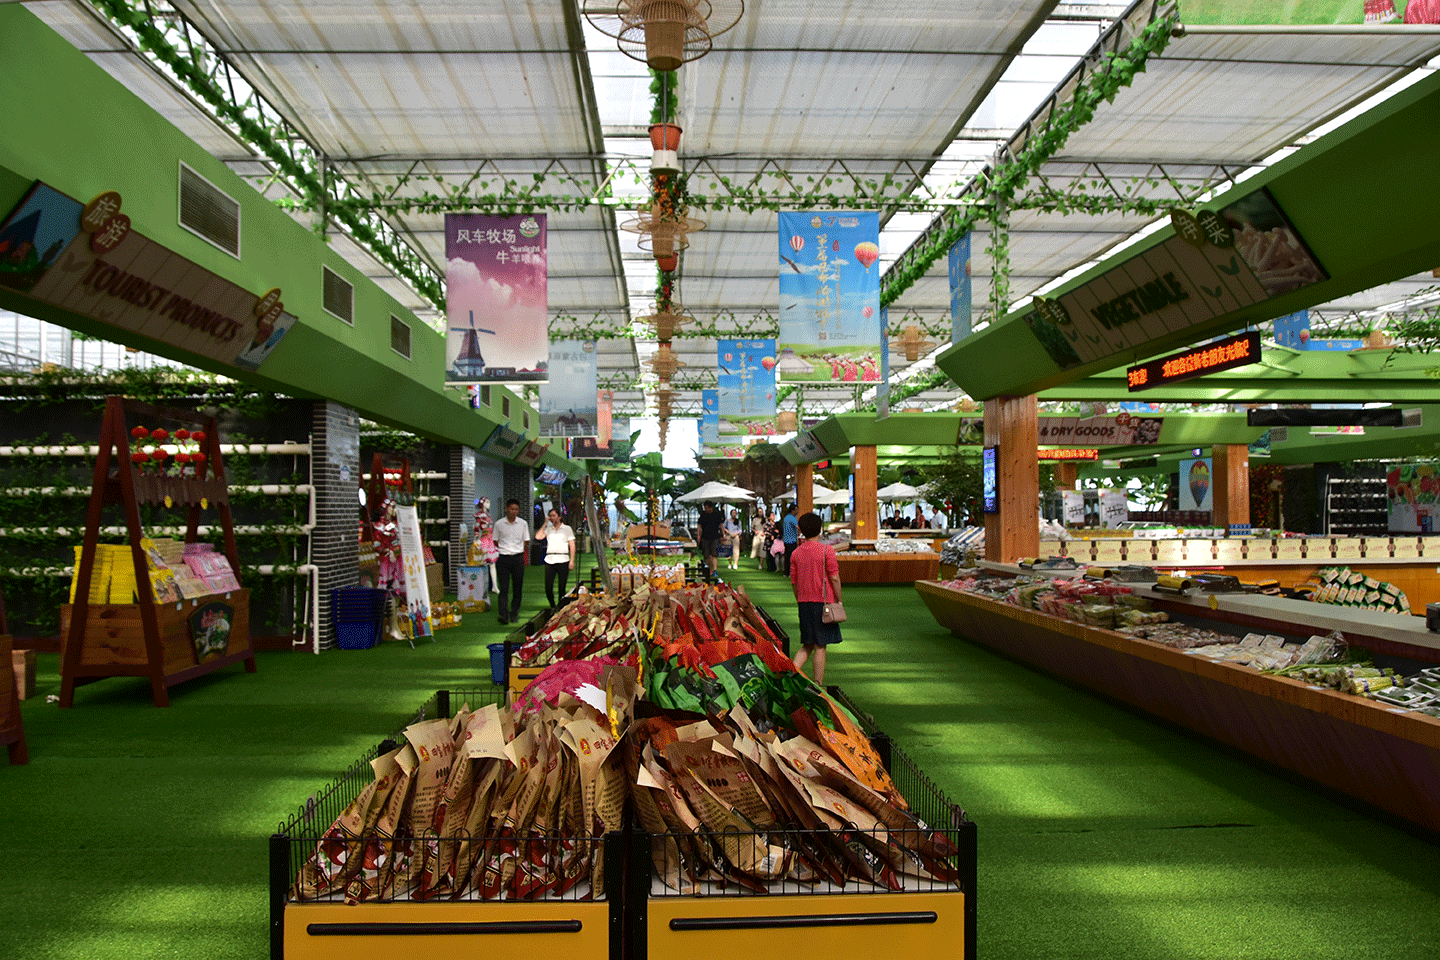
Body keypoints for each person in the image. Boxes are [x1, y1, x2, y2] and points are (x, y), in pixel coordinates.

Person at [790, 511, 842, 686]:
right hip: (823, 603)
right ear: (820, 529)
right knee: (820, 645)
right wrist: (839, 599)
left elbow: (794, 582)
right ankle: (818, 684)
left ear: (802, 530)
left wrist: (799, 599)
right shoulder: (827, 550)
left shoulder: (796, 553)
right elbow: (834, 577)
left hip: (804, 603)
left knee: (807, 644)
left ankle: (789, 674)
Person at [493, 498, 530, 625]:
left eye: (516, 509)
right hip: (503, 557)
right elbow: (495, 540)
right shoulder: (499, 524)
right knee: (503, 588)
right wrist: (506, 548)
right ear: (506, 509)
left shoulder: (523, 523)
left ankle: (514, 613)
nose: (514, 511)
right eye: (512, 509)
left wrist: (517, 549)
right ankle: (503, 614)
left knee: (517, 587)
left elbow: (526, 540)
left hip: (518, 558)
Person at [534, 507, 576, 608]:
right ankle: (552, 605)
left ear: (559, 517)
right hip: (550, 560)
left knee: (562, 587)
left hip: (563, 559)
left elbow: (572, 545)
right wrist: (545, 523)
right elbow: (538, 537)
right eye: (550, 516)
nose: (552, 518)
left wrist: (572, 560)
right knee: (548, 586)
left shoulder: (567, 529)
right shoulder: (548, 529)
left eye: (554, 516)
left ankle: (561, 607)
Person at [696, 500, 724, 575]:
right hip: (705, 537)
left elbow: (721, 525)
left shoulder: (717, 514)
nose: (705, 509)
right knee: (707, 555)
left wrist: (723, 535)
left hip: (715, 537)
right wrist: (698, 535)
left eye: (706, 508)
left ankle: (715, 570)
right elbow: (699, 526)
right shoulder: (703, 515)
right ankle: (710, 569)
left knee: (714, 555)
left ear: (711, 507)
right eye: (704, 508)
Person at [781, 502, 800, 574]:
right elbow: (798, 527)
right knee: (791, 557)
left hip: (786, 540)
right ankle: (790, 571)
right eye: (796, 510)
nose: (797, 511)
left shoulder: (786, 517)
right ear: (793, 510)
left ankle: (786, 571)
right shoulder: (792, 518)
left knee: (787, 556)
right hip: (791, 540)